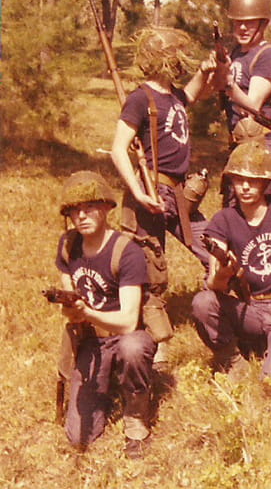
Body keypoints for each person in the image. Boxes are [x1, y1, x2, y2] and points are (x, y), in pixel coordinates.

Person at [54, 171, 156, 458]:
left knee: (133, 348)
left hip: (124, 335)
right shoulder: (68, 246)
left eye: (89, 207)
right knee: (79, 437)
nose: (81, 216)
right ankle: (108, 385)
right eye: (75, 210)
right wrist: (72, 311)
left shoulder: (126, 251)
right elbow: (68, 290)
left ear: (106, 208)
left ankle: (136, 417)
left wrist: (87, 313)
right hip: (90, 340)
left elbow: (128, 322)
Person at [191, 140, 271, 382]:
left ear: (265, 182)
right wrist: (224, 272)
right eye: (238, 180)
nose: (244, 187)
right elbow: (215, 284)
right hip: (251, 307)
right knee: (203, 302)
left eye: (252, 180)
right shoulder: (224, 219)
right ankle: (232, 360)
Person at [111, 26, 212, 267]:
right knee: (150, 268)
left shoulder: (172, 95)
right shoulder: (140, 99)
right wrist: (138, 193)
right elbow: (118, 149)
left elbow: (190, 95)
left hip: (180, 193)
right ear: (165, 59)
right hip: (153, 189)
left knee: (215, 251)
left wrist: (203, 72)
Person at [220, 0, 271, 167]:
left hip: (263, 141)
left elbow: (252, 107)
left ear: (263, 24)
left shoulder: (268, 55)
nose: (242, 28)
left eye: (249, 23)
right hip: (240, 140)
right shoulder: (235, 54)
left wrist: (228, 82)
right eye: (238, 22)